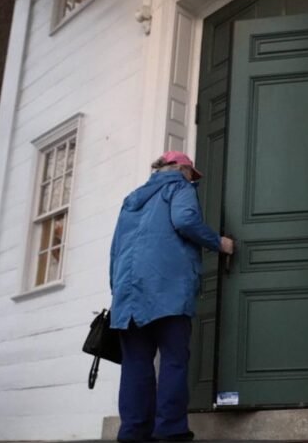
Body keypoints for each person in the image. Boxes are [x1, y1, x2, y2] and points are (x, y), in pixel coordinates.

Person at [109, 151, 233, 442]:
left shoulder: (133, 198)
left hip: (128, 294)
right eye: (192, 173)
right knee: (174, 360)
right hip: (168, 289)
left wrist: (118, 293)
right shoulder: (179, 186)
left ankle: (133, 432)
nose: (194, 180)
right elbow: (185, 220)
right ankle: (170, 431)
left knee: (136, 364)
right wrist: (219, 243)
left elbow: (115, 250)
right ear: (179, 167)